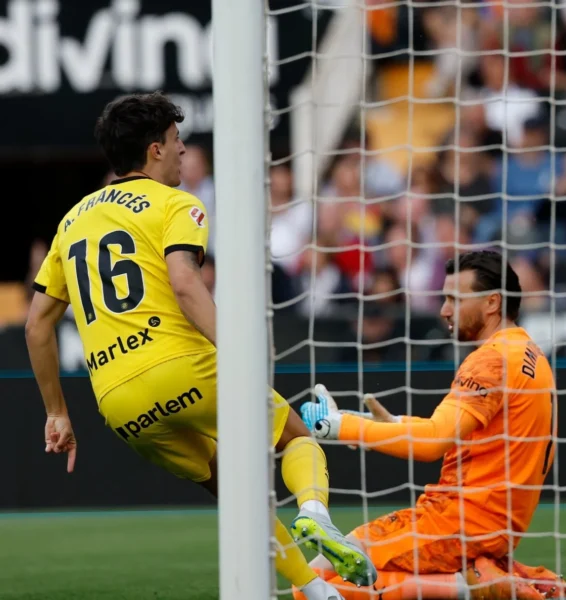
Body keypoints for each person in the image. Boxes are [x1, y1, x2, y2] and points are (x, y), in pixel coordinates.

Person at [24, 92, 372, 600]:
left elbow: (37, 326)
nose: (183, 150)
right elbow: (185, 283)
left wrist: (57, 411)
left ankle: (319, 593)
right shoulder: (177, 204)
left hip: (118, 402)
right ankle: (315, 514)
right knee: (296, 438)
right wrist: (239, 357)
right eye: (176, 140)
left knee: (232, 492)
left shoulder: (71, 221)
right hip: (185, 366)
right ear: (154, 150)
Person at [299, 250, 566, 600]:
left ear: (491, 302)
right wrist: (381, 423)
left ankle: (476, 588)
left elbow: (432, 442)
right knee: (324, 573)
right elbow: (455, 432)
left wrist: (337, 428)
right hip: (487, 524)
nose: (444, 310)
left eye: (454, 299)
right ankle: (495, 579)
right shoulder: (528, 352)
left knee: (309, 586)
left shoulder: (490, 360)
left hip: (456, 523)